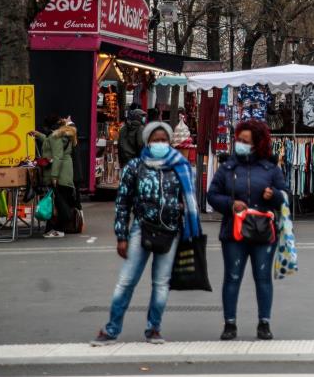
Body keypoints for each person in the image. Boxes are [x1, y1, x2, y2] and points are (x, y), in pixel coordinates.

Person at [92, 121, 200, 346]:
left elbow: (189, 201)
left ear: (169, 142)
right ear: (147, 141)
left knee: (161, 283)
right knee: (126, 281)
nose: (159, 144)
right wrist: (121, 236)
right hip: (141, 229)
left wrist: (180, 209)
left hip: (170, 232)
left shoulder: (180, 166)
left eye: (163, 140)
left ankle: (154, 329)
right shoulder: (135, 167)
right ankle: (111, 329)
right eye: (155, 140)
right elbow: (122, 203)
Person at [208, 119, 288, 341]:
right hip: (233, 232)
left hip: (264, 232)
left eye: (245, 141)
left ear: (257, 144)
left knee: (263, 277)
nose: (240, 144)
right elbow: (212, 195)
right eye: (239, 140)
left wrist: (275, 196)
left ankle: (264, 323)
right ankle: (229, 323)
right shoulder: (227, 167)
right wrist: (230, 204)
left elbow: (286, 195)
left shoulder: (271, 169)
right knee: (232, 276)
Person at [39, 117, 77, 238]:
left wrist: (54, 176)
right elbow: (50, 142)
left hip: (60, 175)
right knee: (60, 202)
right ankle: (57, 229)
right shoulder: (63, 136)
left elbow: (57, 156)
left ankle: (54, 229)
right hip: (66, 173)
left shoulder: (56, 137)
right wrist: (39, 135)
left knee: (57, 203)